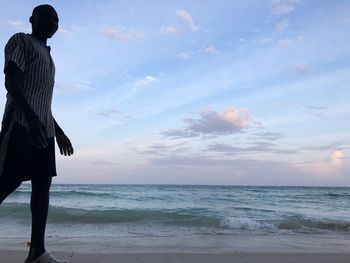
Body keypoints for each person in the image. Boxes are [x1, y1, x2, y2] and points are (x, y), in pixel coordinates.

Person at [0, 4, 73, 263]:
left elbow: (42, 101)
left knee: (43, 186)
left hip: (44, 130)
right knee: (7, 180)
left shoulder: (49, 57)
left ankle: (37, 253)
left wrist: (59, 131)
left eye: (56, 20)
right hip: (21, 123)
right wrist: (31, 121)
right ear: (32, 19)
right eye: (48, 17)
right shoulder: (21, 41)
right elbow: (11, 81)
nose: (53, 22)